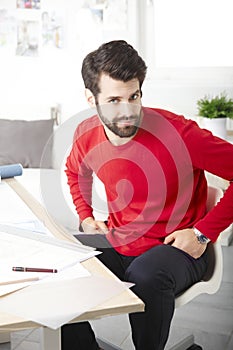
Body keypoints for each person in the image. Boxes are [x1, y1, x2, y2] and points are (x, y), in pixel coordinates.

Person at [64, 40, 233, 350]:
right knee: (63, 262)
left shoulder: (179, 134)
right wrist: (86, 217)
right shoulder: (86, 135)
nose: (127, 111)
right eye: (114, 100)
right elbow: (75, 171)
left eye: (134, 96)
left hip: (180, 247)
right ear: (92, 99)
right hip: (122, 240)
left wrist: (202, 234)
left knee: (145, 274)